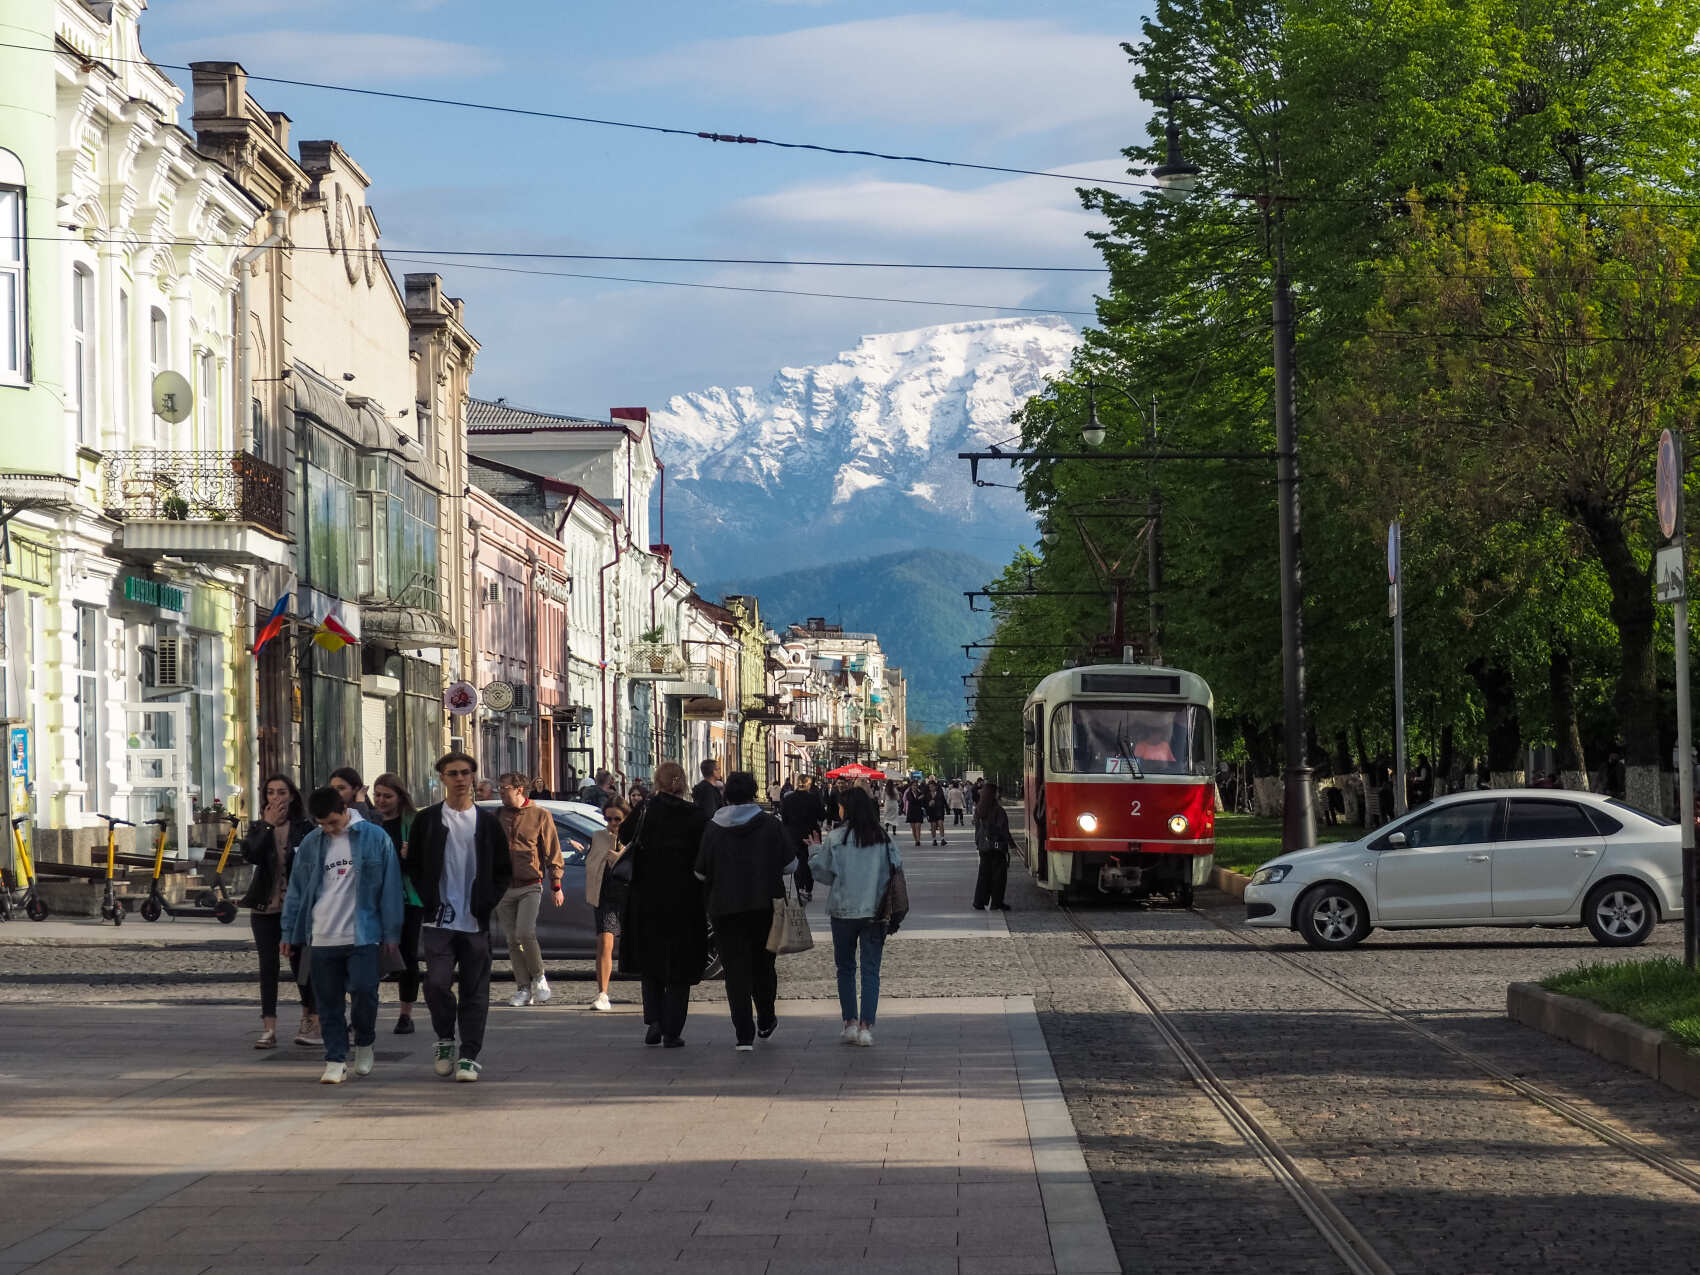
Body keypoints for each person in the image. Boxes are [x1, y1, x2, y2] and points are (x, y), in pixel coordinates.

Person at [279, 787, 403, 1084]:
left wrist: (391, 932)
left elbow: (390, 888)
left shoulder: (375, 838)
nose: (328, 829)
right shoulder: (312, 842)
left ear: (344, 809)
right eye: (322, 824)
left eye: (333, 822)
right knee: (328, 1002)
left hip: (363, 933)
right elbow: (296, 889)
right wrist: (288, 930)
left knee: (364, 992)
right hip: (322, 935)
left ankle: (364, 1042)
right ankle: (335, 1058)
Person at [406, 752, 512, 1083]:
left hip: (474, 920)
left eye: (466, 773)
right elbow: (415, 866)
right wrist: (427, 898)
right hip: (438, 919)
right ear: (442, 778)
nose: (460, 779)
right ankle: (445, 1039)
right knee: (436, 983)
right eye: (453, 773)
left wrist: (487, 901)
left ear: (474, 777)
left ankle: (469, 1055)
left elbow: (502, 870)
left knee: (475, 990)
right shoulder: (427, 821)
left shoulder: (487, 823)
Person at [695, 770, 793, 1051]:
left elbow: (700, 872)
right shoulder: (770, 825)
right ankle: (766, 1018)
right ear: (753, 793)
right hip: (765, 906)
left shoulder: (713, 827)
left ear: (726, 796)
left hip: (725, 908)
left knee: (735, 971)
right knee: (764, 966)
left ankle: (743, 1034)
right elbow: (790, 865)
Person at [619, 760, 709, 1047]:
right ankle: (673, 1030)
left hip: (647, 897)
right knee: (680, 966)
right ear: (682, 784)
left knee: (652, 963)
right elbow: (704, 854)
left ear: (657, 782)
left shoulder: (646, 809)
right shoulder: (695, 815)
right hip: (684, 898)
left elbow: (623, 836)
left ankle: (654, 1021)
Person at [810, 788, 899, 1048]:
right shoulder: (882, 838)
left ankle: (849, 1023)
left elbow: (823, 874)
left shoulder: (836, 838)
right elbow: (896, 868)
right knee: (871, 970)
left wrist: (814, 850)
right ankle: (865, 1027)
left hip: (843, 910)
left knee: (846, 968)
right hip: (875, 911)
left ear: (846, 809)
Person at [240, 773, 317, 1049]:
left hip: (296, 910)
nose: (276, 798)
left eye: (281, 792)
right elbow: (250, 855)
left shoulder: (305, 828)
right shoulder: (259, 827)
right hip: (265, 907)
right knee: (268, 966)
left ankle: (310, 1017)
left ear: (292, 795)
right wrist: (268, 827)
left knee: (301, 966)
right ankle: (269, 1027)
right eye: (271, 793)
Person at [495, 772, 565, 1007]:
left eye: (504, 788)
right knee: (512, 940)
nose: (500, 792)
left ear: (518, 789)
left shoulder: (539, 815)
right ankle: (523, 988)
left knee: (525, 933)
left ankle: (539, 977)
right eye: (499, 788)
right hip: (505, 887)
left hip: (530, 884)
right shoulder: (499, 815)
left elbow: (552, 851)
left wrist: (556, 884)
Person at [370, 773, 423, 1035]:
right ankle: (366, 1009)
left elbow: (423, 864)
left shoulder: (412, 822)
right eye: (377, 795)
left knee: (407, 956)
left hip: (407, 899)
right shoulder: (370, 823)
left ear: (400, 797)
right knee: (369, 955)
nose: (380, 800)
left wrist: (410, 856)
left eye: (387, 796)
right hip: (374, 899)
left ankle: (406, 1014)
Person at [584, 798, 630, 1011]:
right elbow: (591, 864)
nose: (612, 823)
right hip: (604, 896)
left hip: (629, 897)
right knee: (604, 943)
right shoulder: (598, 837)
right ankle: (602, 994)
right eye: (608, 819)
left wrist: (620, 855)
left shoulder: (633, 839)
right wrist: (606, 857)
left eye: (617, 819)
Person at [779, 774, 825, 903]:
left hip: (793, 835)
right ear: (808, 784)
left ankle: (800, 888)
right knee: (811, 861)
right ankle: (808, 889)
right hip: (811, 834)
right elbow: (821, 816)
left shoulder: (788, 799)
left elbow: (784, 819)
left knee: (798, 862)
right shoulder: (814, 798)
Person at [973, 783, 1014, 911]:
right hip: (997, 847)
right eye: (996, 792)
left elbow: (978, 829)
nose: (998, 794)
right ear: (993, 794)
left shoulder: (979, 809)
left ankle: (979, 901)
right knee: (998, 876)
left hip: (983, 847)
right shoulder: (998, 810)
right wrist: (1011, 844)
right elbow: (1003, 830)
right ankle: (997, 902)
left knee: (983, 875)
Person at [927, 781, 948, 845]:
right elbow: (925, 803)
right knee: (933, 826)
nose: (931, 788)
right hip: (931, 812)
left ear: (935, 787)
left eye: (932, 786)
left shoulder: (939, 793)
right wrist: (929, 804)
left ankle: (942, 839)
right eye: (930, 787)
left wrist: (947, 809)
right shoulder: (928, 794)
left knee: (940, 824)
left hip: (939, 811)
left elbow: (944, 801)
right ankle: (934, 840)